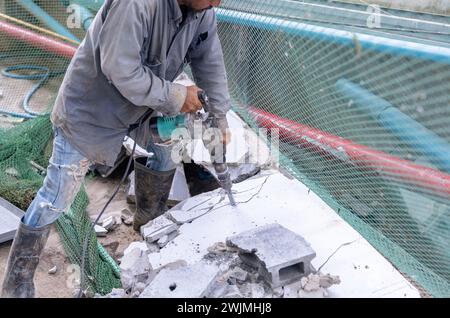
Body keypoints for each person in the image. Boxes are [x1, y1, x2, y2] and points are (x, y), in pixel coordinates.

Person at [1, 0, 231, 298]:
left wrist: (220, 116)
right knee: (57, 196)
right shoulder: (137, 4)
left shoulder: (202, 12)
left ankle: (151, 220)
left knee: (176, 137)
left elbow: (209, 61)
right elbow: (122, 70)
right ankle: (17, 280)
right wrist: (176, 95)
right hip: (91, 111)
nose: (217, 2)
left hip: (143, 107)